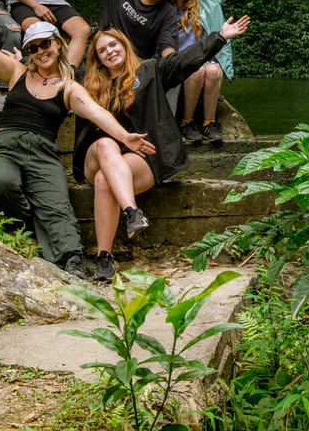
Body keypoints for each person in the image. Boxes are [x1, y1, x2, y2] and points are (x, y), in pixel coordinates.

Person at [0, 0, 155, 279]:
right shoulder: (16, 72)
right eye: (33, 48)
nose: (40, 52)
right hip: (5, 144)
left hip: (42, 151)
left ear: (58, 43)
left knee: (57, 204)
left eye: (45, 44)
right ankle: (25, 223)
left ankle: (72, 259)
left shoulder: (69, 86)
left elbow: (98, 113)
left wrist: (124, 137)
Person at [73, 15, 250, 280]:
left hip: (137, 159)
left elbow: (185, 60)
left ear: (124, 46)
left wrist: (219, 37)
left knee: (103, 181)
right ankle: (131, 212)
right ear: (97, 58)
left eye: (113, 45)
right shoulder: (87, 81)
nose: (110, 52)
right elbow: (53, 72)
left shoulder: (150, 71)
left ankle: (103, 259)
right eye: (102, 50)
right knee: (107, 144)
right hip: (96, 156)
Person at [173, 0, 287, 144]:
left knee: (212, 70)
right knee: (196, 69)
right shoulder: (165, 3)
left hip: (205, 59)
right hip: (176, 62)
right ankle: (187, 122)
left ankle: (209, 123)